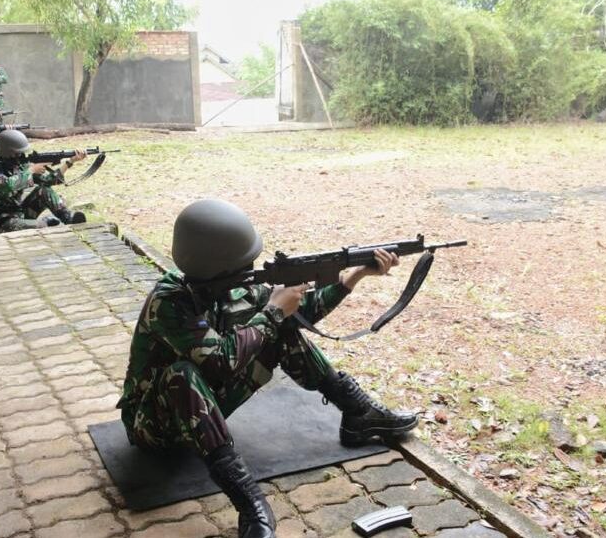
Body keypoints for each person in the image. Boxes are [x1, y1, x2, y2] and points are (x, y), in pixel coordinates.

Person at [117, 199, 419, 538]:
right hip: (154, 424)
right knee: (183, 375)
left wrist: (354, 277)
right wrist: (274, 312)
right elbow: (221, 360)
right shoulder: (168, 302)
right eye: (244, 264)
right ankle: (251, 506)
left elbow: (302, 313)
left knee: (282, 331)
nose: (251, 268)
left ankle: (359, 415)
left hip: (203, 407)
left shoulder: (229, 283)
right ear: (219, 267)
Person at [0, 129, 87, 234]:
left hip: (20, 212)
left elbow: (48, 181)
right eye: (18, 153)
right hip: (2, 222)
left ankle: (68, 218)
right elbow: (8, 186)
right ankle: (42, 222)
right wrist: (31, 171)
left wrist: (70, 162)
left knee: (43, 190)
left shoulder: (19, 165)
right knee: (42, 225)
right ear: (9, 153)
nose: (22, 155)